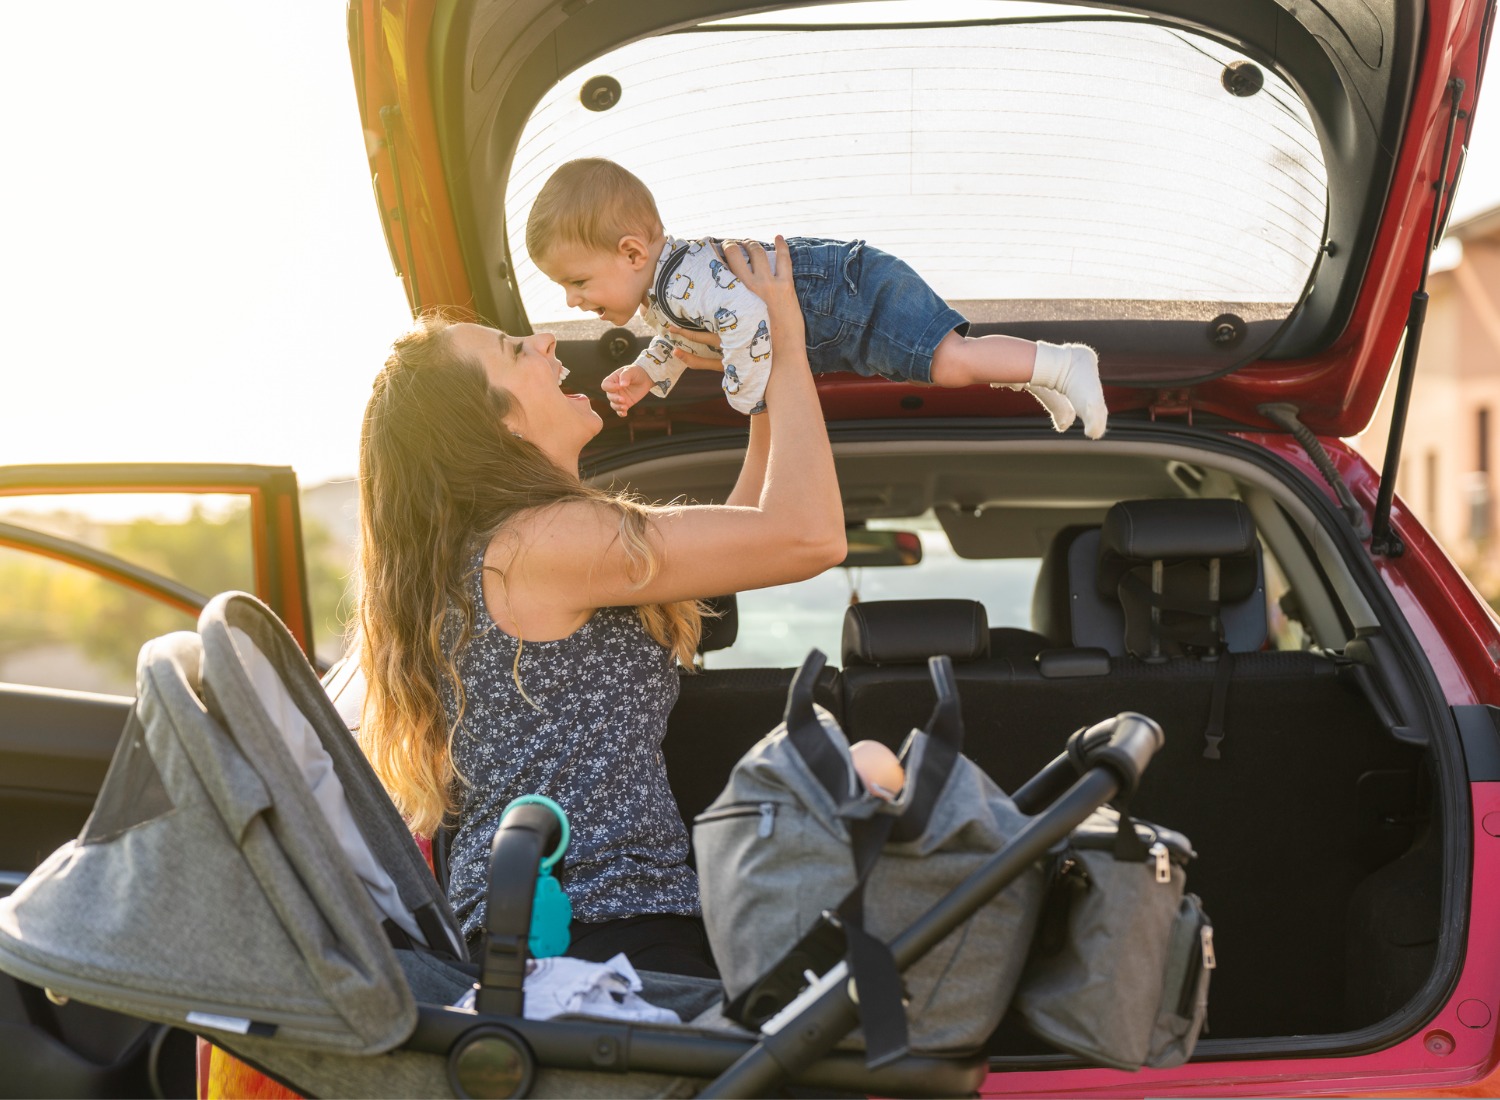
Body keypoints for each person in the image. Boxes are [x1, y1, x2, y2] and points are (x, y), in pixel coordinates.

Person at [353, 238, 844, 978]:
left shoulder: (512, 547)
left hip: (570, 934)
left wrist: (760, 369)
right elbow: (807, 536)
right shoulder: (539, 542)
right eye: (519, 349)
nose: (547, 339)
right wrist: (792, 347)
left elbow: (744, 534)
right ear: (500, 424)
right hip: (591, 932)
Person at [525, 157, 1108, 438]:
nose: (573, 301)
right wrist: (648, 373)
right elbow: (685, 339)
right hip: (843, 315)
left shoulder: (683, 279)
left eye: (577, 282)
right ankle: (1043, 375)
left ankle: (1065, 362)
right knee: (951, 364)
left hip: (851, 294)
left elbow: (750, 319)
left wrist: (745, 394)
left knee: (951, 361)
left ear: (631, 254)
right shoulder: (668, 291)